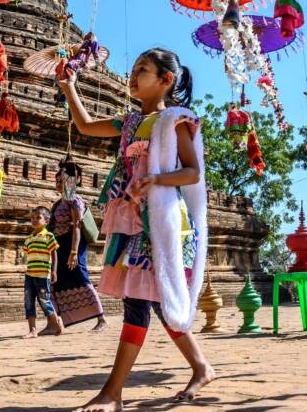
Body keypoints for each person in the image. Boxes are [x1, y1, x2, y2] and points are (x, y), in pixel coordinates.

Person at [58, 47, 214, 412]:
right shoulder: (128, 122)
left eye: (142, 70)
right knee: (154, 302)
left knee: (140, 303)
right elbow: (83, 126)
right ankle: (201, 367)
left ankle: (113, 391)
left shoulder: (176, 121)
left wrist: (157, 178)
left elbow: (192, 172)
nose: (132, 76)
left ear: (166, 80)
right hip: (131, 220)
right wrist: (70, 88)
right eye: (133, 69)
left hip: (161, 225)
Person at [49, 160, 107, 332]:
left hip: (73, 243)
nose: (59, 184)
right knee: (57, 281)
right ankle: (57, 321)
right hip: (60, 245)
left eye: (63, 181)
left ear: (72, 181)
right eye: (57, 181)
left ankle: (101, 318)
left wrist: (74, 252)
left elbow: (76, 226)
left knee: (81, 277)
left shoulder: (75, 200)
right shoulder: (59, 203)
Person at [23, 206, 63, 338]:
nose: (34, 220)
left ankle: (55, 324)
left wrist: (54, 271)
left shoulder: (48, 236)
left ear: (46, 221)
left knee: (44, 300)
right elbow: (27, 254)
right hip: (29, 275)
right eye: (32, 218)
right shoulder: (29, 238)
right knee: (28, 301)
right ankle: (32, 330)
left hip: (42, 275)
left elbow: (54, 254)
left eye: (38, 217)